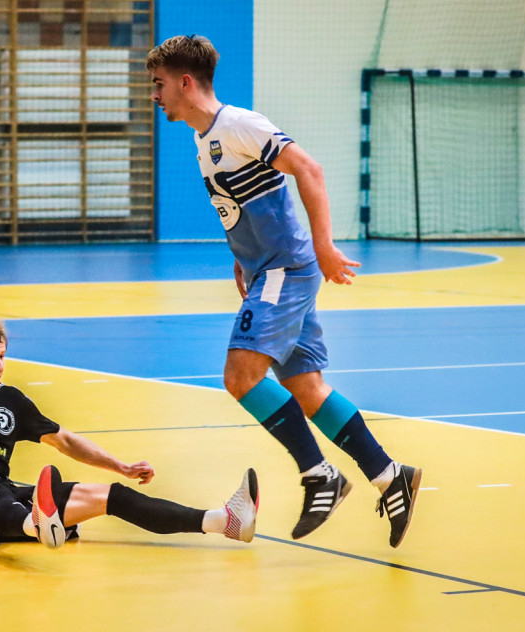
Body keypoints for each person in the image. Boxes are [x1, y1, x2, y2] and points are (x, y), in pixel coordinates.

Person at [146, 35, 421, 548]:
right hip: (268, 269)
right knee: (308, 389)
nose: (155, 95)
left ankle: (320, 474)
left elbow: (308, 170)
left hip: (285, 270)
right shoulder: (203, 138)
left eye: (159, 85)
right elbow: (246, 202)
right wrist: (240, 255)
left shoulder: (240, 125)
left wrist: (324, 247)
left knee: (240, 375)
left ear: (185, 82)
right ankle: (389, 476)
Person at [0, 315, 259, 548]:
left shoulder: (10, 401)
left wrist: (120, 467)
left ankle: (224, 521)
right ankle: (38, 524)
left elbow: (65, 441)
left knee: (110, 496)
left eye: (3, 356)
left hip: (5, 496)